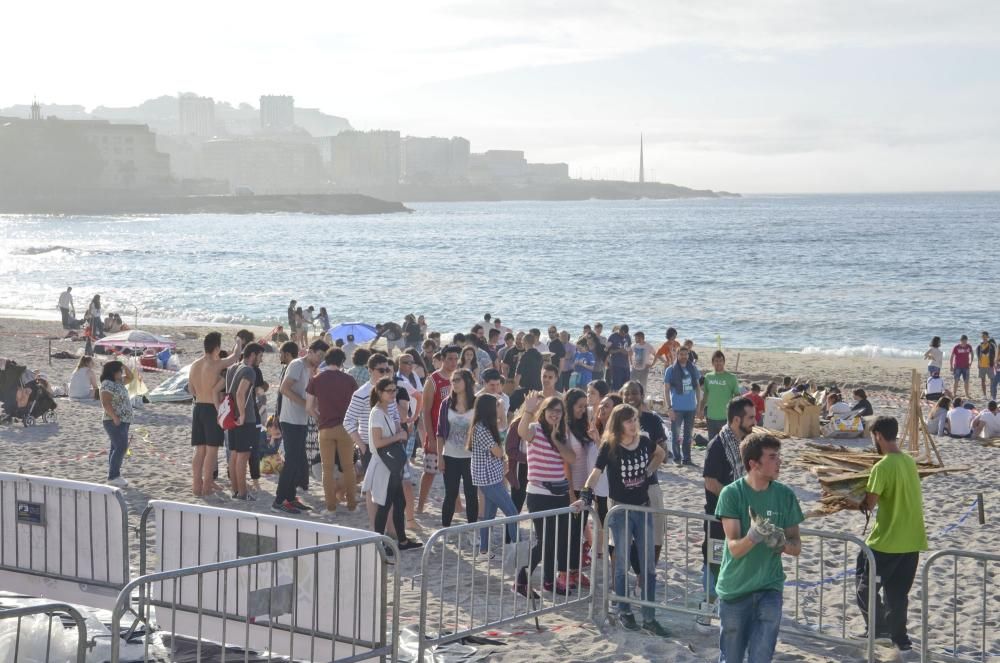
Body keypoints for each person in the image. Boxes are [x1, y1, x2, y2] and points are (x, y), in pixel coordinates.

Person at [574, 404, 669, 636]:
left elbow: (661, 453)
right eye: (628, 421)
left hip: (643, 509)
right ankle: (624, 611)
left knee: (648, 567)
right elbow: (596, 473)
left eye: (635, 419)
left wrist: (649, 471)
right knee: (621, 564)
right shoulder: (611, 446)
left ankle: (649, 616)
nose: (634, 424)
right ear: (619, 424)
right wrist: (585, 496)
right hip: (620, 511)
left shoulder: (645, 442)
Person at [715, 433, 803, 663]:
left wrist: (782, 544)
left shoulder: (785, 495)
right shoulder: (732, 494)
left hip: (769, 588)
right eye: (773, 457)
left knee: (761, 658)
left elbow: (796, 546)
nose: (779, 462)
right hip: (736, 590)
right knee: (731, 658)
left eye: (778, 456)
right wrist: (753, 536)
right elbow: (734, 548)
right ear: (754, 464)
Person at [854, 416, 927, 653]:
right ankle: (900, 639)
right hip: (912, 539)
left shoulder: (882, 467)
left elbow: (870, 503)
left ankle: (880, 630)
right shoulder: (909, 461)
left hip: (886, 541)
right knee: (897, 594)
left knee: (865, 587)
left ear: (878, 436)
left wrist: (852, 497)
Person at [701, 397, 757, 620]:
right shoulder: (717, 445)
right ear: (736, 420)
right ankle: (705, 610)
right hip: (718, 518)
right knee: (714, 563)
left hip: (739, 517)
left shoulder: (744, 444)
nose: (755, 421)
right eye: (751, 417)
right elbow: (711, 483)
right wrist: (735, 499)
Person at [516, 393, 577, 597]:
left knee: (557, 539)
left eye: (559, 411)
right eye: (551, 409)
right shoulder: (535, 428)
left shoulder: (561, 433)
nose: (555, 414)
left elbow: (571, 458)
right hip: (539, 492)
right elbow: (522, 432)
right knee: (544, 541)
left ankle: (549, 581)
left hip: (559, 492)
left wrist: (556, 439)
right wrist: (528, 410)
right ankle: (521, 580)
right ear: (544, 411)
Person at [367, 376, 423, 552]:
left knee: (399, 503)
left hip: (392, 464)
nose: (393, 394)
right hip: (384, 465)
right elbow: (377, 442)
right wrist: (398, 436)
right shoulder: (377, 413)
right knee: (385, 505)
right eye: (389, 391)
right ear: (379, 392)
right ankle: (380, 543)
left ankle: (402, 541)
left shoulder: (385, 410)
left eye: (394, 390)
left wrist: (398, 431)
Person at [272, 339, 328, 514]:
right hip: (290, 420)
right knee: (292, 461)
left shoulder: (311, 369)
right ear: (310, 351)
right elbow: (284, 389)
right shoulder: (297, 364)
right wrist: (305, 404)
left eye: (323, 357)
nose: (320, 359)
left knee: (296, 461)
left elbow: (311, 393)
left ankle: (290, 498)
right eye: (319, 355)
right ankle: (279, 501)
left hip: (301, 420)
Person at [189, 332, 243, 496]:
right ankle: (206, 487)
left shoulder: (194, 365)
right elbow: (236, 357)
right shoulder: (216, 363)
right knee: (211, 451)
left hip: (198, 407)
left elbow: (191, 389)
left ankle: (196, 486)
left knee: (200, 450)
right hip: (211, 408)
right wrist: (239, 341)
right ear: (217, 348)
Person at [306, 348, 359, 512]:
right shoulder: (349, 379)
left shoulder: (316, 379)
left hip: (325, 428)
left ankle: (331, 507)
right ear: (342, 361)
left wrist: (319, 418)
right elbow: (356, 406)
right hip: (345, 428)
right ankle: (351, 505)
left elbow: (309, 407)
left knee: (327, 469)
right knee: (349, 467)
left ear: (326, 360)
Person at [469, 393, 518, 557]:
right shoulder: (481, 429)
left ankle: (483, 550)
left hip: (491, 477)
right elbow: (498, 451)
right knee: (512, 512)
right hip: (488, 479)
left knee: (488, 517)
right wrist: (503, 455)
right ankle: (516, 548)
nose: (500, 407)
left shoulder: (486, 426)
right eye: (497, 405)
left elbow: (501, 438)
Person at [419, 344, 459, 513]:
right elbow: (425, 411)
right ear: (442, 359)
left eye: (456, 358)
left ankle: (458, 506)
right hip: (436, 432)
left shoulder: (459, 378)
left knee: (453, 471)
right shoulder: (433, 380)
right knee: (430, 471)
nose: (453, 362)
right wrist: (430, 436)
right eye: (450, 358)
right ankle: (420, 505)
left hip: (455, 433)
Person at [438, 369, 479, 528]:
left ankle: (472, 530)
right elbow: (440, 432)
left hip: (471, 457)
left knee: (471, 495)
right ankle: (444, 530)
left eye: (458, 380)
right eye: (452, 380)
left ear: (467, 382)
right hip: (450, 456)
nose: (454, 383)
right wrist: (440, 457)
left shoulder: (477, 403)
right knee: (450, 494)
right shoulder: (446, 403)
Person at [225, 343, 264, 500]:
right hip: (245, 419)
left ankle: (235, 490)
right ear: (253, 355)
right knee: (243, 455)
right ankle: (242, 493)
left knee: (234, 454)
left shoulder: (232, 368)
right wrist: (242, 415)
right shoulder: (249, 371)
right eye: (260, 357)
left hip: (231, 417)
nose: (261, 361)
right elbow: (240, 394)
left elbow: (229, 392)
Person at [664, 346, 702, 466]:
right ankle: (677, 458)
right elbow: (666, 390)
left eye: (686, 354)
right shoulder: (670, 370)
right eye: (681, 354)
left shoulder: (693, 369)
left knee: (688, 436)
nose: (684, 357)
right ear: (677, 354)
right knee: (675, 435)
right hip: (677, 408)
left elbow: (697, 388)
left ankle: (687, 459)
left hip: (691, 408)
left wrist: (698, 405)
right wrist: (669, 408)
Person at [100, 360, 135, 487]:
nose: (121, 372)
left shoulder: (118, 382)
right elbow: (105, 402)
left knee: (116, 448)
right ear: (113, 372)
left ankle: (113, 475)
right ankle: (113, 476)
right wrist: (114, 417)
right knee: (121, 447)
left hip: (124, 420)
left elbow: (131, 377)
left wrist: (123, 365)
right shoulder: (107, 384)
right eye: (119, 370)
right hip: (113, 420)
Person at [701, 351, 741, 442]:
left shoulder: (731, 377)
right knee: (712, 443)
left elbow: (737, 397)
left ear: (724, 362)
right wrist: (700, 410)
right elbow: (705, 395)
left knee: (726, 443)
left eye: (720, 360)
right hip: (711, 416)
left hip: (725, 417)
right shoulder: (708, 376)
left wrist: (737, 413)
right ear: (712, 362)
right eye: (716, 361)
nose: (718, 363)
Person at [606, 324, 631, 390]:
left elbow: (629, 348)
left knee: (626, 385)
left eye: (625, 334)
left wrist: (628, 351)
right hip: (616, 365)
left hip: (626, 365)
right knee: (617, 385)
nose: (623, 335)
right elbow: (608, 350)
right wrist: (619, 350)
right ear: (619, 330)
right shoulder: (613, 337)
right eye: (622, 333)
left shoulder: (627, 336)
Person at [951, 335, 974, 399]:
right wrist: (951, 366)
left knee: (966, 381)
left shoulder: (969, 346)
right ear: (960, 341)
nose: (964, 342)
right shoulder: (956, 347)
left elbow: (972, 354)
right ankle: (954, 394)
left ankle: (967, 394)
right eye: (963, 341)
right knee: (956, 380)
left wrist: (971, 362)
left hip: (966, 366)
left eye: (965, 341)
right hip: (957, 366)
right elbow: (952, 356)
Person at [977, 332, 997, 399]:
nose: (984, 338)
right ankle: (984, 395)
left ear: (987, 337)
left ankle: (992, 395)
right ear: (982, 337)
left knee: (992, 381)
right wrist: (978, 363)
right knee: (983, 381)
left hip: (990, 366)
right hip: (982, 366)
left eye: (985, 336)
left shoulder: (991, 345)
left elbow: (995, 354)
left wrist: (994, 363)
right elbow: (978, 356)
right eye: (983, 336)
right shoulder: (980, 346)